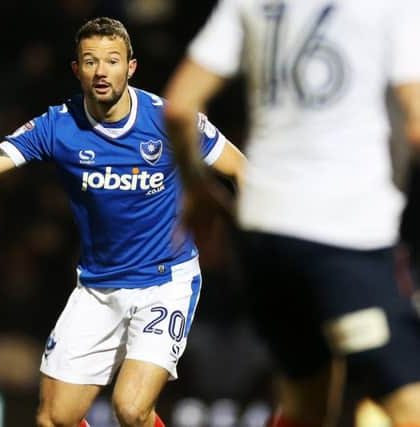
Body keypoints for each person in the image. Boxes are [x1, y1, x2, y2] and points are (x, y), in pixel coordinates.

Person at [0, 17, 245, 427]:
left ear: (131, 67)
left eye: (112, 60)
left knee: (130, 409)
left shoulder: (167, 120)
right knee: (54, 418)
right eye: (90, 61)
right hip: (97, 287)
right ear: (77, 70)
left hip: (164, 282)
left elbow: (240, 169)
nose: (101, 71)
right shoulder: (58, 125)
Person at [163, 1, 420, 427]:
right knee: (409, 409)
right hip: (345, 237)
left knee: (306, 408)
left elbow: (178, 107)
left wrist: (197, 189)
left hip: (263, 236)